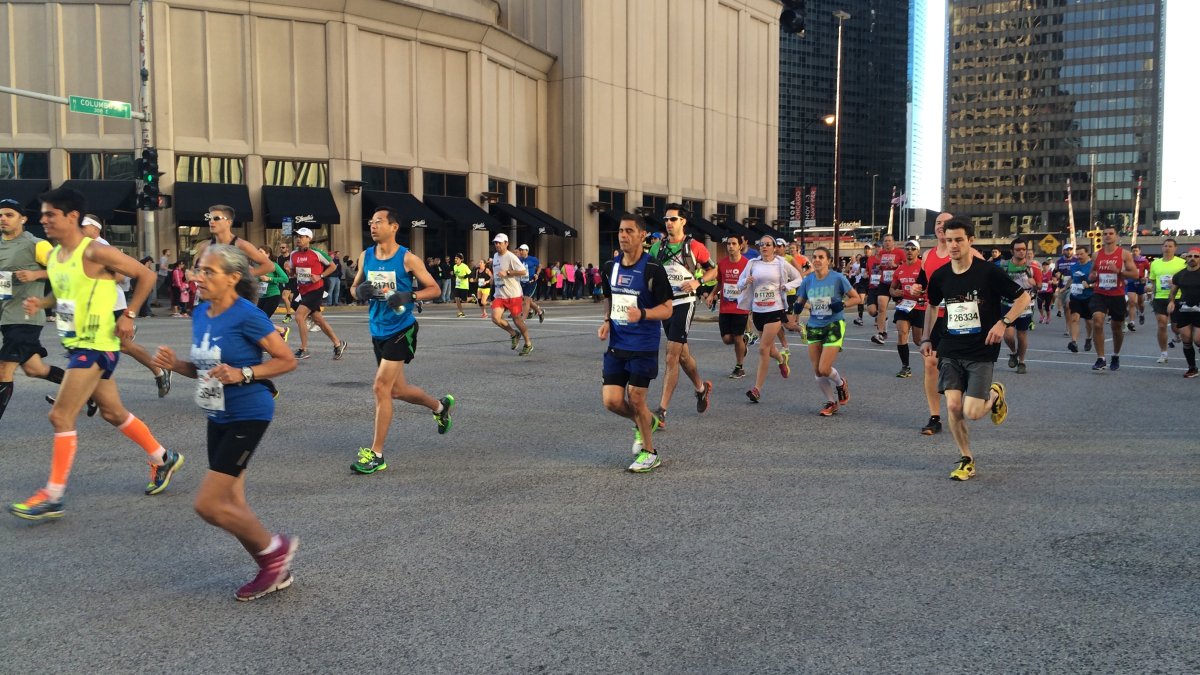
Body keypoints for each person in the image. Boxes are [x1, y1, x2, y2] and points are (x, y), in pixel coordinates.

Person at [10, 187, 182, 521]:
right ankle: (164, 457)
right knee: (113, 414)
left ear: (71, 216)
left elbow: (145, 274)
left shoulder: (93, 251)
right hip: (76, 344)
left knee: (60, 416)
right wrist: (41, 303)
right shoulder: (59, 256)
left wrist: (129, 314)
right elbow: (63, 293)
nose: (43, 220)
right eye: (42, 214)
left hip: (97, 345)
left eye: (50, 214)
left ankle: (53, 495)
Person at [150, 244, 298, 601]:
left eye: (208, 272)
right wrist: (176, 365)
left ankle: (274, 551)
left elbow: (285, 360)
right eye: (198, 269)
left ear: (233, 278)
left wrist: (244, 372)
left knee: (209, 504)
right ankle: (273, 570)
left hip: (249, 413)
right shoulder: (201, 313)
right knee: (232, 500)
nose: (197, 277)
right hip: (216, 413)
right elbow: (203, 369)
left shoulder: (247, 315)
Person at [920, 218, 1029, 481]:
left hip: (981, 349)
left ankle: (994, 394)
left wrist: (1003, 323)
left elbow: (1023, 297)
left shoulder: (987, 272)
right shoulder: (940, 276)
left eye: (959, 239)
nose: (953, 245)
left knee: (973, 411)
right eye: (949, 240)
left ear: (970, 241)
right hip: (950, 346)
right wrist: (926, 338)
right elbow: (933, 306)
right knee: (954, 406)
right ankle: (966, 457)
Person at [349, 207, 455, 474]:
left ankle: (376, 455)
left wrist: (410, 297)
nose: (373, 226)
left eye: (379, 222)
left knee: (380, 387)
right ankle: (440, 406)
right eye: (370, 222)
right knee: (397, 391)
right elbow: (353, 289)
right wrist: (358, 290)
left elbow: (434, 289)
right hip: (378, 330)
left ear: (393, 227)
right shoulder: (366, 256)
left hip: (401, 328)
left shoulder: (407, 259)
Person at [599, 214, 674, 473]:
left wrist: (643, 314)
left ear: (642, 235)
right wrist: (607, 321)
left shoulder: (653, 269)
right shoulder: (610, 266)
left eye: (629, 231)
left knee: (636, 398)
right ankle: (646, 421)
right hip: (618, 343)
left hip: (643, 345)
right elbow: (609, 297)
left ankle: (650, 453)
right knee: (611, 401)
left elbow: (667, 309)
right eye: (621, 230)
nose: (623, 235)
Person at [79, 215, 173, 397]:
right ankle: (86, 394)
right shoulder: (81, 247)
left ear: (95, 229)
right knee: (88, 347)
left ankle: (159, 369)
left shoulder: (102, 247)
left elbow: (122, 276)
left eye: (84, 226)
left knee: (122, 346)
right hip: (92, 307)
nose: (80, 229)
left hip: (112, 306)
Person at [648, 204, 716, 428]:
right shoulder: (657, 248)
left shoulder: (695, 247)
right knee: (683, 356)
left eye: (673, 219)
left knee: (671, 356)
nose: (669, 223)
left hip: (685, 304)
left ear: (683, 222)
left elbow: (714, 270)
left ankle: (662, 410)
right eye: (666, 219)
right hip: (666, 304)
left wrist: (698, 281)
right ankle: (701, 388)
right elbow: (649, 274)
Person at [0, 197, 63, 422]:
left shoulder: (36, 244)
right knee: (35, 369)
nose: (3, 219)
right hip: (5, 317)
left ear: (23, 219)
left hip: (26, 315)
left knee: (3, 369)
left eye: (9, 214)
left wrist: (36, 274)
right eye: (0, 215)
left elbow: (64, 270)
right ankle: (86, 390)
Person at [795, 246, 861, 416]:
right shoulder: (808, 281)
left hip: (834, 323)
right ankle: (831, 402)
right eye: (815, 257)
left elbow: (857, 298)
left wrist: (843, 304)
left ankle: (840, 383)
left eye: (821, 257)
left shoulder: (838, 278)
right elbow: (800, 301)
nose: (817, 260)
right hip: (814, 325)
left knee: (824, 368)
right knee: (817, 370)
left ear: (829, 261)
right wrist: (797, 307)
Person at [737, 236, 802, 403]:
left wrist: (786, 286)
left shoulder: (781, 263)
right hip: (758, 310)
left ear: (774, 247)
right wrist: (746, 281)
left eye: (767, 244)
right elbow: (739, 284)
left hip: (775, 309)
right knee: (771, 349)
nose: (764, 247)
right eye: (761, 244)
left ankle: (757, 389)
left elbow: (798, 278)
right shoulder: (753, 263)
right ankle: (781, 359)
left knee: (763, 348)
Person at [286, 227, 348, 361]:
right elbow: (293, 273)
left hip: (316, 289)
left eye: (302, 236)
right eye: (297, 236)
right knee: (318, 320)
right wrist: (289, 271)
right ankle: (338, 343)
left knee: (299, 316)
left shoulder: (317, 253)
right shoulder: (293, 255)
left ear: (309, 239)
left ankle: (304, 349)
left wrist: (320, 275)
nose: (298, 239)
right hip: (303, 290)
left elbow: (333, 266)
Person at [1087, 225, 1138, 371]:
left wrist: (1119, 271)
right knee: (1097, 322)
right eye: (1105, 233)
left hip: (1117, 295)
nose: (1108, 236)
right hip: (1099, 293)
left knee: (1116, 327)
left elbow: (1135, 275)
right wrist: (1092, 277)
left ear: (1116, 237)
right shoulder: (1097, 255)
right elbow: (1091, 275)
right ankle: (1100, 358)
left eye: (1111, 233)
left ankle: (1115, 355)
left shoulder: (1124, 254)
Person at [709, 235, 750, 378]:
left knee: (737, 337)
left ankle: (739, 367)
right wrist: (712, 294)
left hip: (740, 307)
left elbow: (752, 283)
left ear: (740, 246)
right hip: (725, 307)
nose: (730, 246)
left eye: (733, 243)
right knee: (727, 339)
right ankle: (743, 344)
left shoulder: (747, 264)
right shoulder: (722, 263)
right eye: (728, 244)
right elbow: (720, 282)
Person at [999, 237, 1042, 374]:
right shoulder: (1003, 266)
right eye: (1018, 249)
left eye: (1024, 249)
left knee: (1022, 334)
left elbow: (1040, 286)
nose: (1021, 252)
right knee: (1008, 335)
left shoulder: (1034, 267)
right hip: (1007, 303)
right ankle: (1013, 352)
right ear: (1012, 251)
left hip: (1026, 305)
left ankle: (1022, 362)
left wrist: (1034, 283)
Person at [889, 238, 927, 378]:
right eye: (907, 249)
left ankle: (935, 362)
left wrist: (922, 292)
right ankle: (905, 367)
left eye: (913, 249)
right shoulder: (899, 269)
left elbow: (932, 286)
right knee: (902, 333)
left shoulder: (923, 267)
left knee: (918, 340)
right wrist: (895, 292)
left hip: (920, 306)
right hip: (904, 306)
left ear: (918, 251)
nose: (909, 251)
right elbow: (892, 289)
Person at [490, 233, 533, 355]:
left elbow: (523, 272)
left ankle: (528, 343)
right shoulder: (495, 256)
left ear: (506, 243)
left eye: (499, 242)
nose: (497, 245)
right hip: (500, 294)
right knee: (495, 318)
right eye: (495, 243)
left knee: (517, 321)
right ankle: (514, 334)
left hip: (513, 294)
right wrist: (493, 278)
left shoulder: (511, 257)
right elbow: (498, 271)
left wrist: (508, 272)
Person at [1150, 238, 1186, 363]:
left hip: (1177, 297)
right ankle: (1163, 353)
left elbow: (1188, 277)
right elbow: (1153, 279)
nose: (1167, 248)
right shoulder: (1155, 263)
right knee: (1161, 324)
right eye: (1165, 246)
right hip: (1160, 297)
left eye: (1170, 246)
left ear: (1175, 248)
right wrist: (1151, 292)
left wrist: (1176, 283)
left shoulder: (1182, 263)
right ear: (1162, 247)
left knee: (1176, 327)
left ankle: (1177, 335)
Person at [1167, 247, 1200, 378]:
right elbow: (1173, 292)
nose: (1192, 258)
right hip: (1184, 309)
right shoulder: (1180, 274)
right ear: (1186, 258)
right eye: (1190, 256)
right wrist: (1171, 302)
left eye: (1196, 256)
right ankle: (1192, 368)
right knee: (1186, 339)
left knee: (1198, 340)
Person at [866, 235, 902, 345]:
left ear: (893, 242)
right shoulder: (881, 253)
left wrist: (896, 265)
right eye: (885, 241)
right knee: (881, 307)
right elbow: (878, 267)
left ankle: (905, 328)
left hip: (897, 283)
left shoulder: (899, 252)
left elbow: (906, 265)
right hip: (884, 282)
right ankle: (881, 333)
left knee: (901, 308)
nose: (887, 243)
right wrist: (880, 267)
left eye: (889, 241)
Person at [255, 246, 291, 341]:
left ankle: (272, 340)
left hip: (273, 295)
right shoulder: (259, 267)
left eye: (261, 252)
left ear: (268, 254)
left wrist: (270, 279)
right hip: (262, 296)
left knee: (262, 321)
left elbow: (285, 279)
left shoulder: (273, 265)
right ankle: (282, 331)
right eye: (257, 252)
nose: (258, 254)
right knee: (257, 319)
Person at [1066, 246, 1094, 353]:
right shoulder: (1074, 266)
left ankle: (1088, 338)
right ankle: (1074, 342)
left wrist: (1090, 285)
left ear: (1087, 253)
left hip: (1088, 296)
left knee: (1089, 321)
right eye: (1077, 254)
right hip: (1076, 296)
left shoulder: (1092, 266)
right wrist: (1065, 287)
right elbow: (1072, 278)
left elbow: (1099, 281)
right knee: (1075, 318)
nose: (1079, 256)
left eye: (1081, 254)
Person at [1125, 244, 1150, 331]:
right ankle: (1132, 322)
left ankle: (1141, 313)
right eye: (1133, 251)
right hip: (1131, 282)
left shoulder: (1144, 261)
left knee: (1140, 303)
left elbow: (1150, 271)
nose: (1135, 252)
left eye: (1136, 251)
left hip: (1140, 283)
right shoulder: (1128, 260)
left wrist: (1146, 279)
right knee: (1131, 302)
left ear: (1140, 251)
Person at [451, 253, 471, 317]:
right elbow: (456, 275)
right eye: (455, 258)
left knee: (464, 300)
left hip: (464, 285)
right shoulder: (454, 266)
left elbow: (470, 273)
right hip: (458, 285)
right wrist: (453, 275)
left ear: (461, 260)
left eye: (457, 258)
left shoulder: (464, 266)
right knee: (456, 298)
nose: (455, 259)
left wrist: (464, 276)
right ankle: (461, 312)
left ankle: (473, 298)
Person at [1036, 260, 1056, 325]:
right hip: (1041, 291)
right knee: (1039, 304)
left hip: (1048, 292)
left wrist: (1052, 282)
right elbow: (1037, 281)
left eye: (1046, 265)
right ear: (1042, 266)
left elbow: (1055, 281)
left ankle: (1048, 317)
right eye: (1044, 265)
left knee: (1047, 306)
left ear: (1048, 266)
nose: (1045, 267)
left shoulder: (1051, 273)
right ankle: (1042, 316)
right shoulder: (1040, 273)